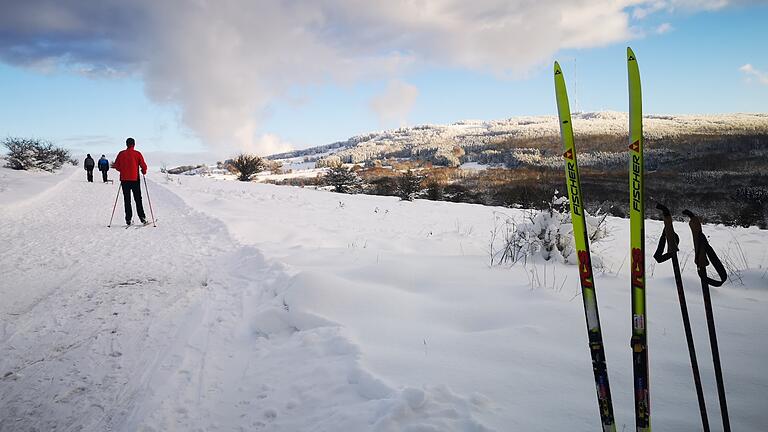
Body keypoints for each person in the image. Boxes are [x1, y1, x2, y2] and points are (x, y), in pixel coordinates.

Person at [113, 137, 148, 225]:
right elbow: (143, 165)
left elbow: (116, 166)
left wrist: (123, 170)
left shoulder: (121, 154)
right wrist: (143, 171)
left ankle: (128, 219)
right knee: (138, 199)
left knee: (127, 199)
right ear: (134, 144)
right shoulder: (137, 154)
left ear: (126, 144)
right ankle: (142, 218)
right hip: (135, 179)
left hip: (124, 180)